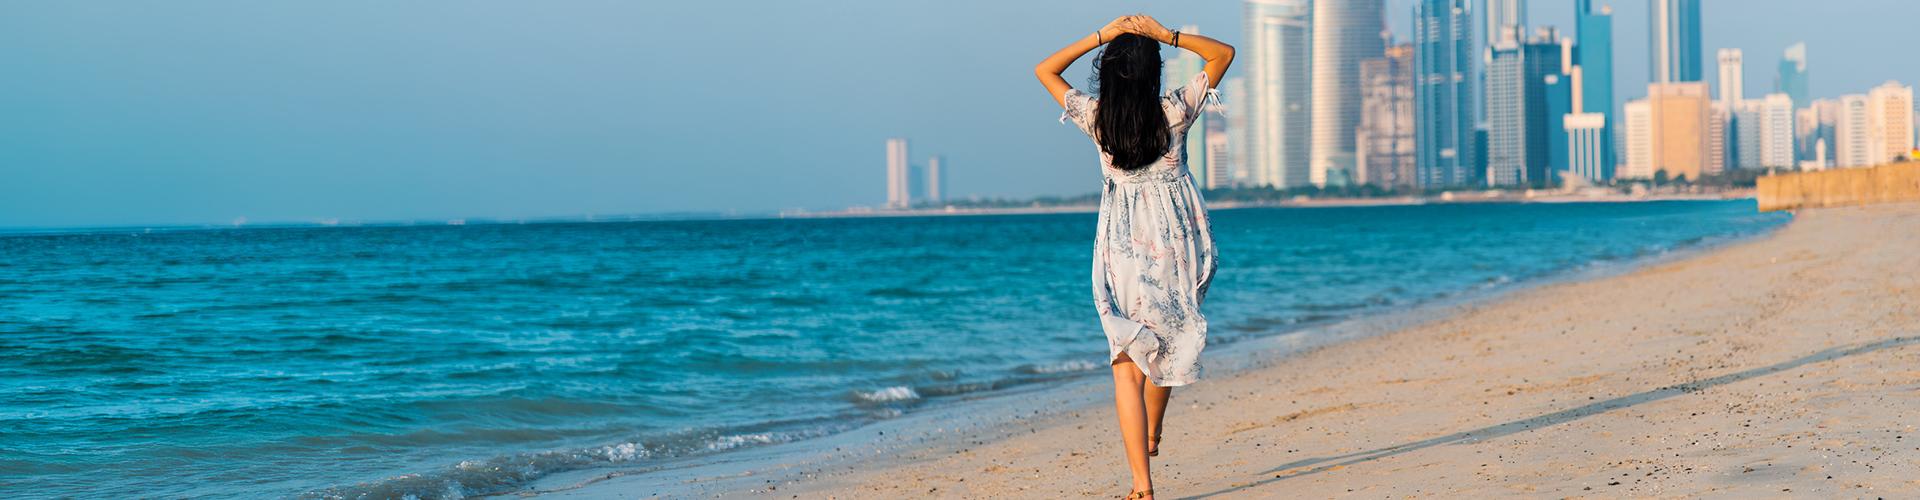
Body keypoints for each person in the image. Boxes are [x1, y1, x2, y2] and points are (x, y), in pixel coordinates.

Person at [1033, 14, 1232, 500]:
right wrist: (1168, 35)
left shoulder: (1098, 118)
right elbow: (1223, 54)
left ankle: (1141, 486)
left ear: (1108, 74)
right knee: (1170, 335)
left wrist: (1101, 35)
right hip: (1173, 245)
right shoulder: (1174, 111)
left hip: (1121, 248)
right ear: (1154, 73)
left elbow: (1045, 70)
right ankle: (1153, 431)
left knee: (1126, 359)